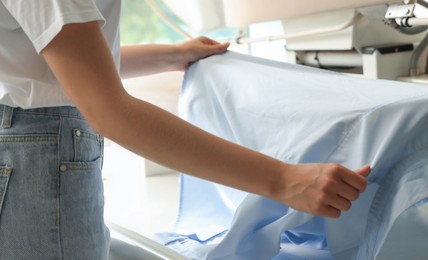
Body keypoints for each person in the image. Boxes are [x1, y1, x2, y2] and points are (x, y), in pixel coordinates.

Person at [0, 1, 370, 258]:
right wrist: (284, 179)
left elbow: (60, 67)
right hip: (37, 153)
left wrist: (174, 54)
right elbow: (109, 111)